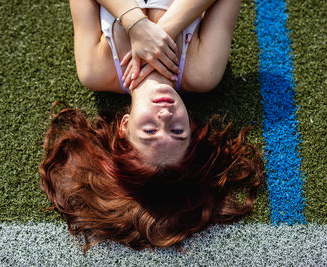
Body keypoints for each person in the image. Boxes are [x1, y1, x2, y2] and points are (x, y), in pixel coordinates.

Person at [40, 0, 263, 251]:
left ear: (124, 126)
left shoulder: (95, 70)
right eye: (178, 131)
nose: (165, 116)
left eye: (149, 131)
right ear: (190, 126)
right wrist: (166, 30)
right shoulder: (203, 72)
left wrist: (136, 24)